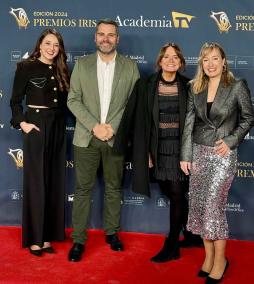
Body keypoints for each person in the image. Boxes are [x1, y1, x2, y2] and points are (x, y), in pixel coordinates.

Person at [114, 43, 202, 263]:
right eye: (166, 57)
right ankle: (191, 235)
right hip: (156, 148)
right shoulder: (145, 85)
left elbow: (198, 121)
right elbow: (136, 120)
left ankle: (172, 244)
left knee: (176, 194)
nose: (171, 60)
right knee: (172, 192)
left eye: (175, 57)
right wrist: (142, 151)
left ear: (181, 63)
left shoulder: (190, 86)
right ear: (159, 61)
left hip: (180, 150)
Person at [180, 42, 254, 283]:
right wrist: (186, 155)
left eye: (215, 59)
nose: (210, 64)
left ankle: (221, 260)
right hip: (199, 154)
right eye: (205, 60)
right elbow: (190, 123)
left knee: (214, 208)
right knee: (201, 208)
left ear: (224, 62)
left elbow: (248, 117)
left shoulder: (236, 86)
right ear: (201, 63)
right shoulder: (195, 87)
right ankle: (209, 258)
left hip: (223, 155)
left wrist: (231, 141)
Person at [67, 18, 139, 262]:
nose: (105, 38)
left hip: (115, 139)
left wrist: (112, 128)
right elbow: (73, 99)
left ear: (117, 39)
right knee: (82, 190)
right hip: (86, 137)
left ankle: (112, 233)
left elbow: (132, 103)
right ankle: (78, 239)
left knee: (113, 189)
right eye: (101, 34)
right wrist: (95, 126)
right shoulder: (82, 64)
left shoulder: (130, 67)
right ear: (95, 37)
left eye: (110, 34)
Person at [10, 29, 70, 256]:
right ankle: (35, 239)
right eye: (48, 43)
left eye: (56, 45)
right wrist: (22, 123)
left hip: (57, 125)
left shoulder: (62, 70)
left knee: (54, 180)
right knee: (37, 183)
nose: (51, 48)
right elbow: (15, 101)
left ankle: (48, 237)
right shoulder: (26, 67)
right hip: (36, 125)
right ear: (40, 45)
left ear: (60, 48)